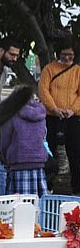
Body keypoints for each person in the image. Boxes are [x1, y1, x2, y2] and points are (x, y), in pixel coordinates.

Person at [38, 36, 80, 193]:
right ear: (58, 54)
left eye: (70, 55)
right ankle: (47, 186)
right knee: (49, 151)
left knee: (76, 153)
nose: (67, 58)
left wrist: (72, 110)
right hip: (52, 117)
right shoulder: (49, 69)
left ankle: (77, 187)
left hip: (72, 117)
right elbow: (43, 91)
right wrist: (54, 109)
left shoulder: (77, 71)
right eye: (64, 55)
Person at [0, 94, 49, 197]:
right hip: (39, 163)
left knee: (17, 205)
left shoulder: (11, 115)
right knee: (38, 204)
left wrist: (6, 159)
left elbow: (5, 142)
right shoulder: (41, 115)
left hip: (18, 162)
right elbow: (43, 136)